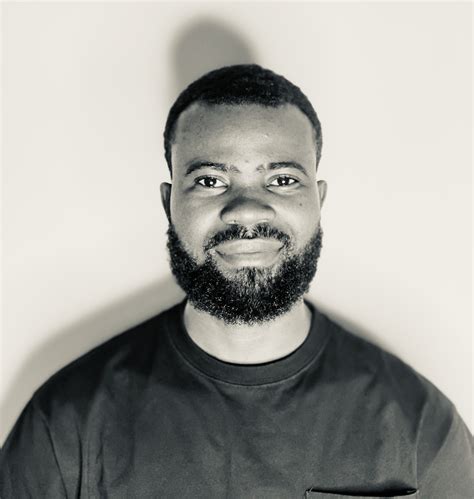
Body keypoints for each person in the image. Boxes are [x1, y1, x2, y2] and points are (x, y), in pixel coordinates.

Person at [1, 64, 472, 498]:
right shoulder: (65, 426)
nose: (247, 210)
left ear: (319, 200)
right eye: (210, 181)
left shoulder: (421, 429)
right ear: (169, 204)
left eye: (282, 179)